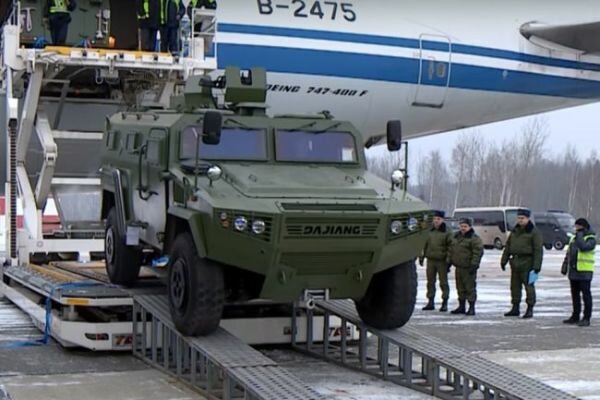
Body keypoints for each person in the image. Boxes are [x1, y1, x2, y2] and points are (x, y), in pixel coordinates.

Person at [500, 208, 543, 319]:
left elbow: (538, 250)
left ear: (527, 218)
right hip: (515, 262)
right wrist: (504, 260)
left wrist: (537, 266)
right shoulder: (515, 231)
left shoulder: (534, 232)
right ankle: (515, 307)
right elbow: (508, 247)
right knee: (514, 286)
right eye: (519, 218)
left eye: (522, 218)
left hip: (528, 263)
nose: (520, 220)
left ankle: (530, 308)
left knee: (529, 287)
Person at [562, 218, 596, 327]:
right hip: (574, 271)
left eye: (578, 227)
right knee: (575, 295)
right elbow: (569, 253)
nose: (576, 229)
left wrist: (580, 235)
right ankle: (575, 316)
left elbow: (584, 247)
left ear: (583, 227)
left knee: (586, 295)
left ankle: (586, 318)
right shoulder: (574, 238)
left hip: (585, 271)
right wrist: (565, 265)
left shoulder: (591, 238)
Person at [419, 210, 453, 312]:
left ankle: (444, 302)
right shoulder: (430, 231)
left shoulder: (447, 232)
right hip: (431, 260)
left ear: (442, 220)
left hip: (442, 261)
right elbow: (424, 244)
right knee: (430, 282)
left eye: (438, 219)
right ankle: (430, 301)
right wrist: (421, 257)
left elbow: (451, 247)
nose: (436, 221)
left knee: (443, 282)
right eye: (434, 219)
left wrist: (448, 260)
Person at [449, 218, 483, 316]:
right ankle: (461, 306)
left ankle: (471, 307)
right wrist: (449, 262)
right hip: (459, 267)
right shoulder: (456, 237)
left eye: (465, 226)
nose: (463, 228)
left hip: (468, 268)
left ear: (470, 227)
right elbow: (451, 250)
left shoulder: (474, 239)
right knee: (460, 288)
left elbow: (478, 252)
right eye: (461, 226)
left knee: (470, 288)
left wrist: (474, 265)